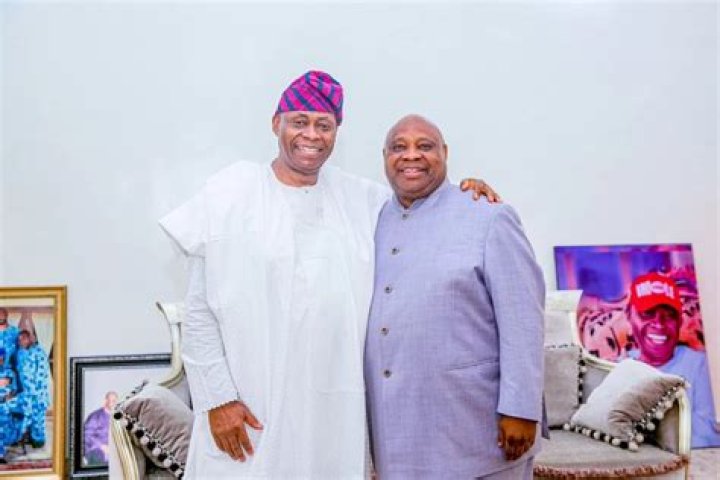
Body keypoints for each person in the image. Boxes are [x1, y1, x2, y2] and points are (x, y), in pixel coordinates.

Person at [160, 71, 497, 479]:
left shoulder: (361, 198)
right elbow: (198, 312)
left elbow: (421, 205)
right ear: (276, 123)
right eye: (299, 122)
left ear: (336, 132)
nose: (311, 135)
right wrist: (217, 400)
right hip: (250, 408)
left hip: (334, 412)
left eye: (324, 125)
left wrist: (463, 194)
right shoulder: (230, 192)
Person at [364, 115, 545, 479]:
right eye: (399, 147)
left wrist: (521, 407)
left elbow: (523, 316)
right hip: (397, 433)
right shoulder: (372, 219)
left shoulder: (488, 216)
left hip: (475, 429)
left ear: (444, 153)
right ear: (384, 157)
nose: (411, 155)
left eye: (424, 146)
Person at [626, 272, 720, 448]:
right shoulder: (616, 367)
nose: (659, 324)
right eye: (647, 313)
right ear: (629, 318)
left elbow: (707, 438)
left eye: (669, 315)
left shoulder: (700, 365)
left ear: (680, 321)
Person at [15, 315, 51, 449]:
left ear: (30, 338)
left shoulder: (39, 352)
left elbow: (42, 373)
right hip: (25, 391)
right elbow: (20, 371)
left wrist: (35, 392)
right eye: (19, 339)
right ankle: (26, 437)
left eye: (24, 338)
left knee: (38, 418)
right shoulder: (20, 353)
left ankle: (38, 441)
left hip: (37, 392)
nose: (21, 341)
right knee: (26, 416)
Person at [83, 391, 118, 465]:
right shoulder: (95, 416)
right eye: (111, 400)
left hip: (113, 452)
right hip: (95, 450)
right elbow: (86, 435)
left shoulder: (117, 418)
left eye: (115, 401)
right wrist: (102, 446)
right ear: (105, 401)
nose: (113, 403)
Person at [0, 349, 22, 464]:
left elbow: (14, 390)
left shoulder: (9, 372)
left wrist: (9, 397)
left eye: (1, 358)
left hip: (5, 404)